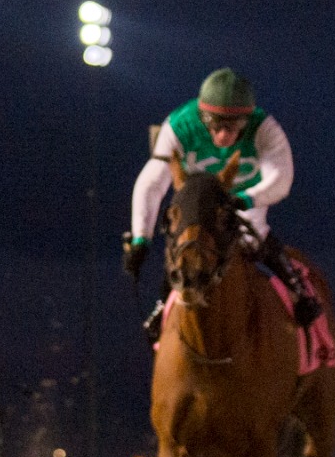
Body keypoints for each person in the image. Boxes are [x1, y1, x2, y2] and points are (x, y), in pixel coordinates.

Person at [124, 67, 319, 336]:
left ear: (247, 118)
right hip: (198, 204)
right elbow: (153, 182)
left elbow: (281, 178)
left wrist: (246, 199)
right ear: (202, 115)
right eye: (215, 123)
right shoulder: (179, 125)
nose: (224, 135)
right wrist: (140, 239)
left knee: (254, 237)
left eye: (234, 124)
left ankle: (299, 291)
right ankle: (162, 304)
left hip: (246, 199)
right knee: (185, 245)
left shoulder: (265, 129)